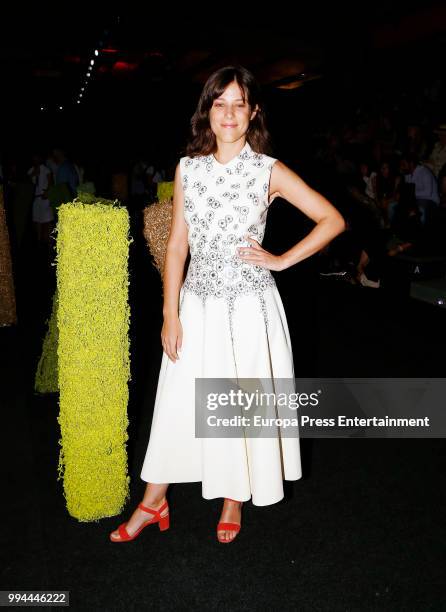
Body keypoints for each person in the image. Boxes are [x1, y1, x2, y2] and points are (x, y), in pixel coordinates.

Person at [110, 65, 345, 545]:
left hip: (249, 307)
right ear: (208, 112)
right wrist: (169, 312)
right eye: (221, 103)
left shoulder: (268, 169)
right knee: (178, 402)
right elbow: (178, 244)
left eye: (240, 103)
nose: (230, 113)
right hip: (195, 306)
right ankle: (153, 500)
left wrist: (280, 261)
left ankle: (233, 495)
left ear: (253, 111)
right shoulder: (187, 168)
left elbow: (331, 219)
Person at [27, 153, 54, 248]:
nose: (35, 160)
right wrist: (32, 175)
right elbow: (27, 183)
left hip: (45, 197)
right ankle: (39, 241)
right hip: (36, 198)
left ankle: (49, 241)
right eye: (34, 158)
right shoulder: (31, 170)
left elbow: (51, 184)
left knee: (47, 220)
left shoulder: (46, 170)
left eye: (37, 158)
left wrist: (48, 194)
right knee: (37, 220)